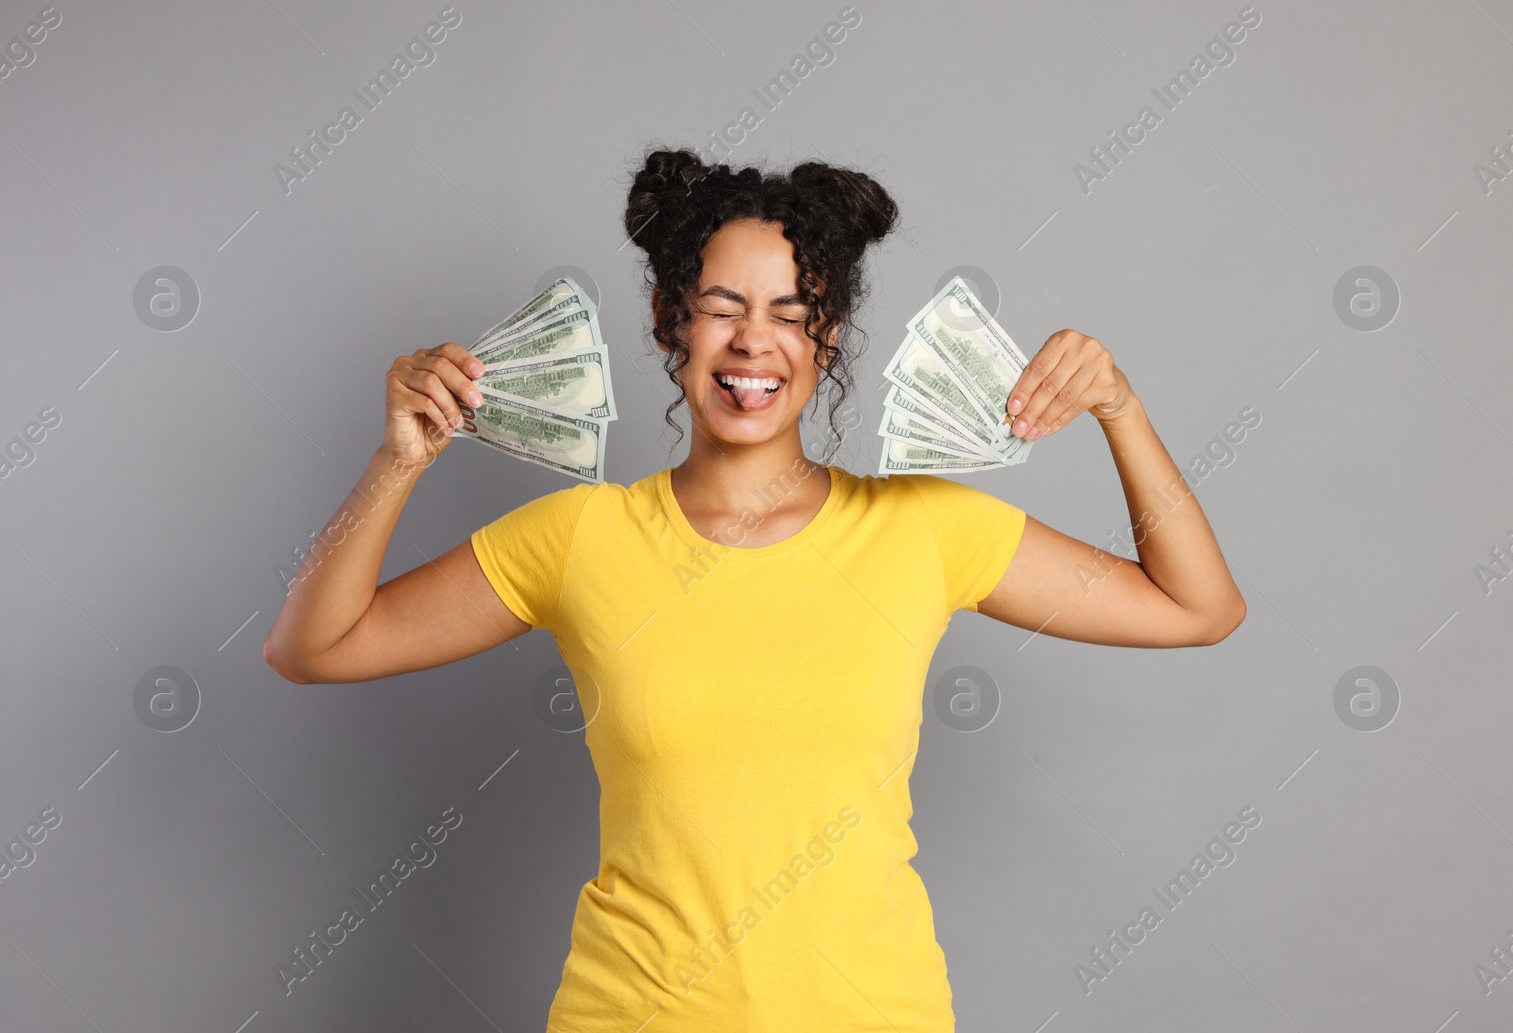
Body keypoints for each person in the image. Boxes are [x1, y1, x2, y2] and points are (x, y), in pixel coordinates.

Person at [263, 147, 1246, 1031]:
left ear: (828, 336)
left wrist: (1118, 404)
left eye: (789, 311)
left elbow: (1197, 607)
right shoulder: (579, 538)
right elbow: (312, 646)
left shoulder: (925, 529)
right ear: (668, 321)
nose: (751, 342)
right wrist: (399, 463)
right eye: (721, 307)